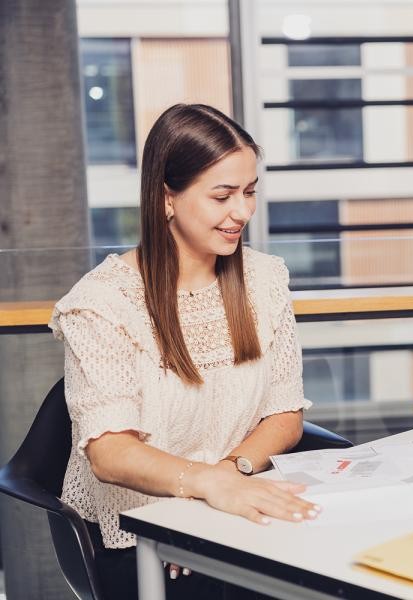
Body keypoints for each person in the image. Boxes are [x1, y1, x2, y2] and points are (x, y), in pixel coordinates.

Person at [50, 103, 316, 598]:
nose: (242, 212)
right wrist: (204, 491)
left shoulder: (265, 279)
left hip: (232, 503)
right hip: (135, 535)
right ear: (167, 197)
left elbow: (285, 414)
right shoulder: (101, 305)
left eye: (250, 192)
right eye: (223, 196)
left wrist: (225, 477)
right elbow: (110, 454)